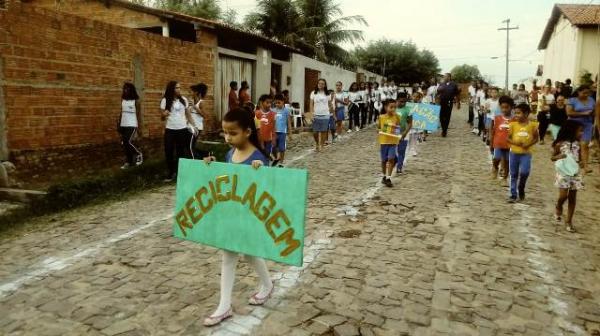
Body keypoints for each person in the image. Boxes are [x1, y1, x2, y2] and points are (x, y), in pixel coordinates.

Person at [202, 107, 274, 327]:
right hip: (231, 215)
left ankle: (267, 285)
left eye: (233, 133)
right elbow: (224, 181)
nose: (227, 137)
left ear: (248, 132)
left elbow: (268, 188)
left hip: (250, 216)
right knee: (230, 255)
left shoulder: (258, 157)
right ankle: (225, 306)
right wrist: (211, 166)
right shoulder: (228, 154)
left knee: (250, 254)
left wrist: (261, 169)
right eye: (225, 132)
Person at [160, 81, 197, 181]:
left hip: (182, 129)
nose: (179, 89)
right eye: (177, 88)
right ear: (171, 89)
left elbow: (188, 114)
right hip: (170, 130)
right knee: (168, 151)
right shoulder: (165, 100)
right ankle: (171, 173)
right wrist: (164, 114)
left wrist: (194, 126)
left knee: (180, 152)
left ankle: (180, 173)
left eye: (179, 88)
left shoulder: (183, 100)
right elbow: (162, 118)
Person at [551, 120, 584, 233]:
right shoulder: (559, 144)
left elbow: (579, 159)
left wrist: (582, 163)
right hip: (563, 173)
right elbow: (552, 158)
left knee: (572, 198)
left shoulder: (578, 144)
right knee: (563, 196)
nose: (581, 133)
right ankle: (559, 205)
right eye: (580, 131)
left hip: (575, 173)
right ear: (571, 131)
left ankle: (569, 221)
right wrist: (559, 156)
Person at [507, 103, 539, 202]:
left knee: (525, 172)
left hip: (526, 153)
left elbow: (536, 138)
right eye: (515, 113)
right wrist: (515, 142)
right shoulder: (512, 125)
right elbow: (508, 138)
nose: (516, 115)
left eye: (518, 113)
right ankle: (513, 194)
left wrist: (528, 144)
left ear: (526, 113)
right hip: (514, 153)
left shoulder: (533, 125)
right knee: (513, 173)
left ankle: (521, 186)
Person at [566, 85, 596, 173]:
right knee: (572, 144)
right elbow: (569, 113)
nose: (586, 95)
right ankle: (572, 162)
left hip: (587, 124)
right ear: (579, 92)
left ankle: (586, 166)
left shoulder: (591, 100)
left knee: (585, 144)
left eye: (588, 93)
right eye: (584, 93)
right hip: (574, 124)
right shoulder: (572, 100)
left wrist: (593, 114)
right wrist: (584, 113)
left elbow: (594, 111)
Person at [489, 96, 515, 185]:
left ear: (511, 107)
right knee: (497, 158)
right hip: (498, 143)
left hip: (509, 145)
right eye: (502, 107)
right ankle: (495, 167)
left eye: (507, 107)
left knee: (507, 161)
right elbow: (493, 130)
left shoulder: (514, 120)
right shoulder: (497, 118)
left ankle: (504, 178)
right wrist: (491, 142)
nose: (504, 109)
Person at [118, 82, 143, 169]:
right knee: (124, 144)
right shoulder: (123, 100)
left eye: (127, 89)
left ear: (131, 90)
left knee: (127, 141)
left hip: (132, 124)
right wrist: (118, 124)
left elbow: (139, 115)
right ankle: (129, 162)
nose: (125, 90)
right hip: (123, 124)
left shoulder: (136, 101)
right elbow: (121, 113)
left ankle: (138, 153)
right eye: (124, 89)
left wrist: (140, 128)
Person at [377, 99, 400, 187]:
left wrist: (396, 132)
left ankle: (388, 177)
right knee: (383, 160)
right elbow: (378, 128)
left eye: (395, 107)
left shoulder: (397, 117)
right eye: (391, 107)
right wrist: (380, 130)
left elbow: (398, 128)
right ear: (386, 107)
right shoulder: (381, 117)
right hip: (384, 142)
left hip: (393, 142)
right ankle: (384, 175)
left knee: (391, 159)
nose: (393, 109)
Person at [310, 79, 333, 152]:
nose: (321, 85)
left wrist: (331, 112)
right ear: (317, 84)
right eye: (319, 83)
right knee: (315, 132)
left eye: (322, 84)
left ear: (325, 85)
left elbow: (330, 104)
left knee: (323, 131)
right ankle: (317, 143)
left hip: (325, 115)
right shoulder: (313, 93)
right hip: (316, 115)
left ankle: (322, 145)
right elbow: (311, 104)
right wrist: (311, 114)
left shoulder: (328, 94)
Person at [189, 83, 209, 159]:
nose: (190, 93)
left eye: (191, 92)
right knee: (190, 146)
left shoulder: (201, 102)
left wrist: (195, 107)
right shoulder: (193, 101)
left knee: (190, 146)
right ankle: (207, 154)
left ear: (196, 92)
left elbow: (205, 115)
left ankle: (195, 161)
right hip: (191, 126)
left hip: (197, 127)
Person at [272, 93, 292, 166]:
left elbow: (289, 122)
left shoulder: (286, 111)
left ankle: (281, 161)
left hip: (282, 132)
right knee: (273, 147)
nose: (277, 104)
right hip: (274, 132)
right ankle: (277, 157)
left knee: (281, 147)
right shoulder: (273, 110)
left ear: (283, 102)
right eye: (276, 103)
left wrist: (290, 133)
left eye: (279, 103)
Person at [395, 93, 413, 174]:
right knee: (392, 151)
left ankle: (399, 167)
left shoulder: (408, 110)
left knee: (401, 151)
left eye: (405, 102)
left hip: (403, 133)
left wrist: (405, 132)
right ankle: (394, 162)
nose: (403, 103)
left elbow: (410, 123)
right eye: (401, 101)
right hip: (392, 133)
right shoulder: (392, 108)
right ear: (397, 100)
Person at [255, 94, 276, 159]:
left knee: (267, 154)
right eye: (267, 102)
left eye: (270, 103)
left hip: (268, 139)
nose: (269, 104)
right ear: (261, 102)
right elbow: (256, 127)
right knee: (259, 155)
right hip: (259, 139)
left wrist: (274, 138)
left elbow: (274, 127)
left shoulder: (273, 114)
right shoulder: (257, 113)